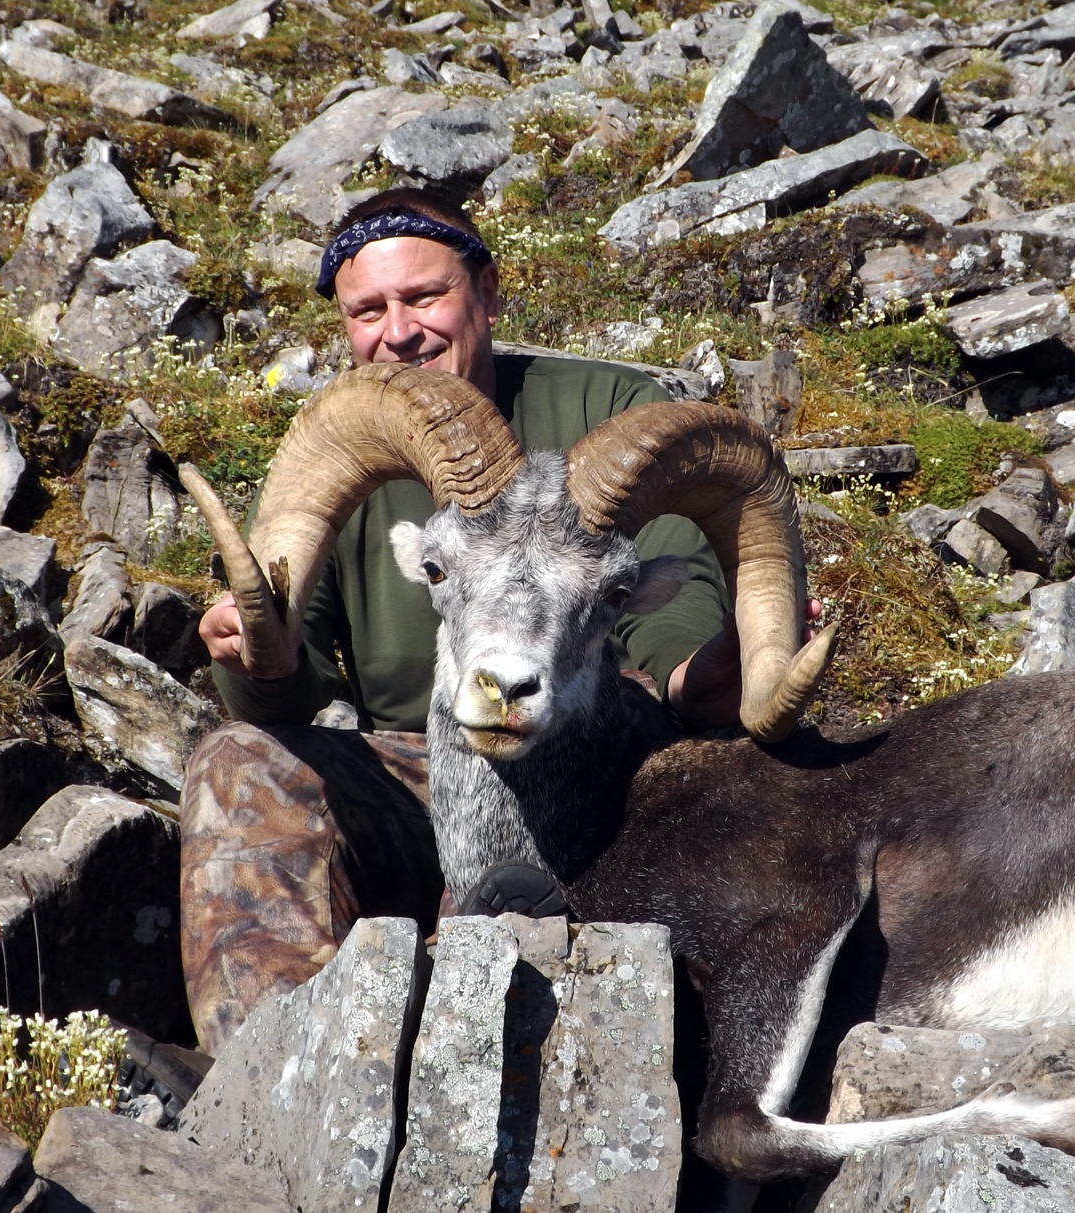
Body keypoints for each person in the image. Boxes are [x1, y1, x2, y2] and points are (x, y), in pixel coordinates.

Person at [179, 188, 741, 1051]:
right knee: (235, 761)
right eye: (368, 310)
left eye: (424, 297)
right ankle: (279, 1064)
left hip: (590, 752)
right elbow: (289, 683)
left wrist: (698, 669)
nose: (397, 332)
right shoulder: (356, 436)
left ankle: (562, 964)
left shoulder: (612, 416)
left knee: (645, 733)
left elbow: (674, 601)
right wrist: (255, 651)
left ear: (488, 290)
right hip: (420, 767)